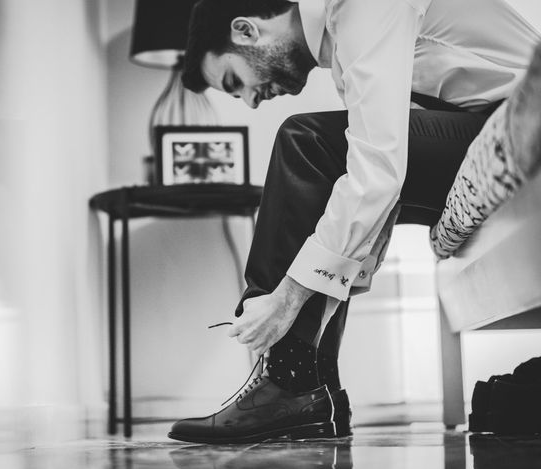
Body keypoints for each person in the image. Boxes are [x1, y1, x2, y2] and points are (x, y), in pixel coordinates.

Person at [168, 0, 541, 444]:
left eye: (235, 82)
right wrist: (329, 280)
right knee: (329, 155)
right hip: (478, 126)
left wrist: (286, 299)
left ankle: (292, 384)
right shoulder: (345, 47)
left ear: (246, 31)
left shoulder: (359, 5)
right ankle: (310, 388)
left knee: (306, 142)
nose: (250, 101)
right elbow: (377, 193)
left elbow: (378, 173)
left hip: (518, 126)